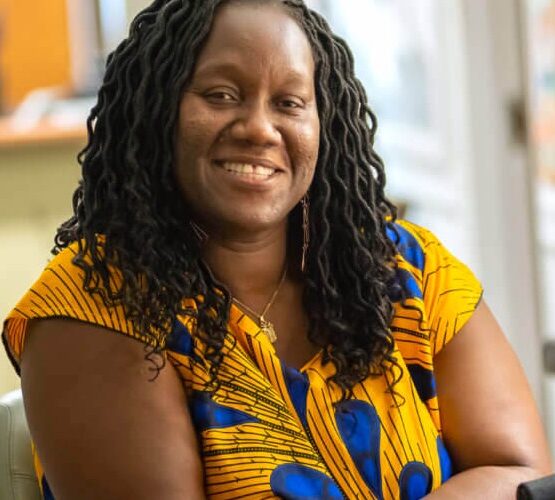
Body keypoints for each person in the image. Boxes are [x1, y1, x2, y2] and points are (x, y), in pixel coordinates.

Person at [2, 0, 552, 498]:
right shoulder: (93, 308)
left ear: (322, 124)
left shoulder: (405, 267)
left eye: (289, 102)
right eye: (221, 95)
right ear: (154, 113)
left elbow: (519, 471)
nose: (259, 129)